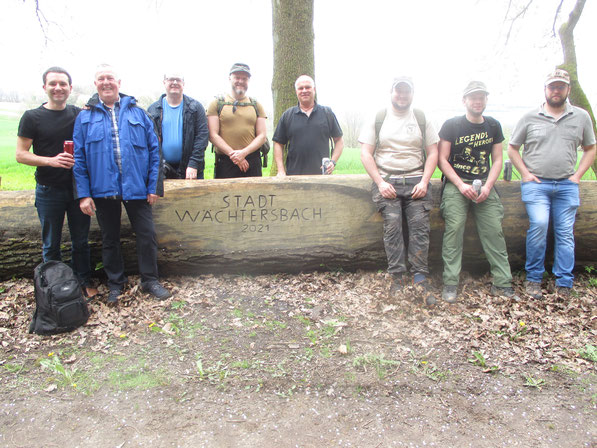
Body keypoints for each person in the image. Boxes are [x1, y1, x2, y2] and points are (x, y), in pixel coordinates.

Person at [73, 64, 171, 304]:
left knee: (147, 235)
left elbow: (154, 151)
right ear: (95, 84)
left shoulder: (138, 113)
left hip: (137, 188)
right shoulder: (85, 117)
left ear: (119, 82)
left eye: (110, 78)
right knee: (110, 239)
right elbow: (79, 158)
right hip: (102, 190)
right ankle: (116, 283)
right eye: (101, 79)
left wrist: (153, 187)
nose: (106, 82)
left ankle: (150, 280)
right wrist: (84, 195)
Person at [507, 69, 596, 299]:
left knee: (565, 232)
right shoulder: (529, 117)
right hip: (536, 184)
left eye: (561, 87)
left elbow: (590, 148)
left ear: (567, 89)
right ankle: (534, 278)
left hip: (567, 185)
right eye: (552, 87)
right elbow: (512, 148)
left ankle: (564, 282)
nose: (556, 91)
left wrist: (577, 175)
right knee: (539, 224)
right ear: (545, 89)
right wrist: (525, 174)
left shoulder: (581, 116)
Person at [16, 66, 97, 298]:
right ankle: (52, 288)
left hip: (77, 190)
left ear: (70, 88)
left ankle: (82, 281)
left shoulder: (78, 114)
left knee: (80, 241)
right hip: (48, 190)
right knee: (50, 244)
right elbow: (21, 154)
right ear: (45, 88)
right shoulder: (32, 117)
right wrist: (50, 161)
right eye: (53, 84)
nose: (58, 88)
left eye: (63, 84)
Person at [359, 77, 439, 305]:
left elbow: (432, 152)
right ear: (391, 92)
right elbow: (366, 153)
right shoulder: (379, 117)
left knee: (419, 226)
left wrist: (424, 182)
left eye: (407, 92)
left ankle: (420, 278)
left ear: (412, 94)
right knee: (393, 224)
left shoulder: (422, 118)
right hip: (387, 180)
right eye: (398, 91)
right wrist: (380, 182)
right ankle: (397, 278)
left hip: (415, 179)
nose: (402, 96)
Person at [438, 81, 519, 303]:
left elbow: (498, 160)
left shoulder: (493, 126)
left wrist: (488, 186)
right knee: (454, 229)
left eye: (481, 97)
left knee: (494, 230)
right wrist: (460, 185)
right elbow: (442, 160)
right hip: (457, 184)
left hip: (484, 185)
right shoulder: (452, 125)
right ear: (464, 101)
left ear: (485, 100)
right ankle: (450, 283)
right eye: (473, 97)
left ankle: (502, 283)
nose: (477, 101)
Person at [273, 75, 344, 175]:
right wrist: (280, 170)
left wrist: (332, 162)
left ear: (314, 90)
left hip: (322, 177)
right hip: (294, 177)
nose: (304, 90)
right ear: (296, 91)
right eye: (300, 88)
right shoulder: (287, 115)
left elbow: (339, 141)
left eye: (308, 87)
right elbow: (278, 144)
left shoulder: (327, 113)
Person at [207, 63, 267, 178]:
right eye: (237, 77)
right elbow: (213, 135)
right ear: (230, 78)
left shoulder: (256, 105)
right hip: (225, 161)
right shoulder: (217, 103)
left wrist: (243, 153)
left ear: (249, 80)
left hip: (251, 161)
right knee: (224, 195)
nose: (240, 81)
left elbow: (262, 136)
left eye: (244, 78)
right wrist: (234, 155)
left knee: (253, 195)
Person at [147, 72, 208, 179]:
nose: (175, 83)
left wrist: (193, 163)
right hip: (162, 170)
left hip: (190, 169)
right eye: (171, 79)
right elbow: (149, 141)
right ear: (164, 82)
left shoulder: (196, 108)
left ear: (183, 83)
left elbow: (202, 137)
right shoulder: (152, 110)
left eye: (178, 80)